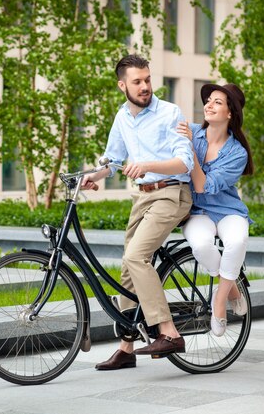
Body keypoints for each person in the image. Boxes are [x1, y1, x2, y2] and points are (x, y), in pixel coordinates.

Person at [81, 54, 193, 370]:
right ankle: (127, 348)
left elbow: (184, 162)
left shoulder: (171, 113)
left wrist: (146, 165)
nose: (144, 86)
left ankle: (169, 332)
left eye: (147, 79)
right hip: (142, 199)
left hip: (172, 193)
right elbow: (112, 159)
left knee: (136, 257)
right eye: (137, 82)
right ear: (122, 85)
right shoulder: (122, 118)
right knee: (128, 270)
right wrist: (92, 176)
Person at [176, 83, 254, 337]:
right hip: (197, 211)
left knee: (237, 240)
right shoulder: (192, 133)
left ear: (230, 113)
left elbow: (201, 183)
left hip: (228, 210)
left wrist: (189, 149)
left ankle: (219, 302)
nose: (208, 105)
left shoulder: (237, 153)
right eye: (208, 100)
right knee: (200, 246)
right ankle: (232, 289)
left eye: (217, 102)